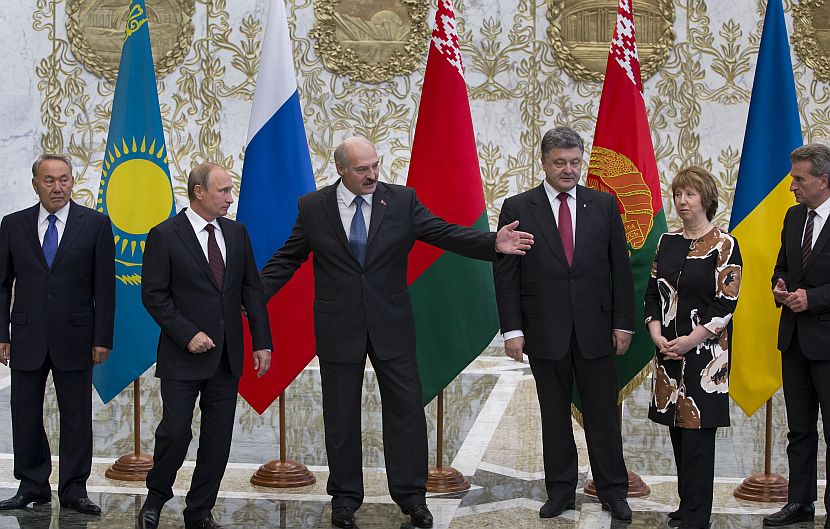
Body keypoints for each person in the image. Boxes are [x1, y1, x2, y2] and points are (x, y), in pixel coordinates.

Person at [259, 136, 533, 529]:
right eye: (362, 169)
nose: (372, 174)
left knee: (406, 413)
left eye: (375, 165)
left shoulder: (401, 201)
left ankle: (411, 498)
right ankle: (344, 499)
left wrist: (493, 243)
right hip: (338, 326)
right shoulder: (314, 207)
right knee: (340, 417)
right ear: (341, 169)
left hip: (392, 324)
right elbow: (289, 257)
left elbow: (443, 232)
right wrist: (250, 296)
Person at [493, 126, 634, 521]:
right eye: (560, 163)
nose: (569, 169)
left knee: (602, 416)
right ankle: (560, 492)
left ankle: (613, 490)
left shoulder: (603, 205)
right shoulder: (518, 207)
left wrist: (623, 323)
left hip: (596, 329)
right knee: (554, 417)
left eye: (574, 162)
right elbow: (506, 274)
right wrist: (513, 329)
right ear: (543, 163)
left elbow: (620, 270)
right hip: (544, 330)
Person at [137, 162, 273, 529]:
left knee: (217, 440)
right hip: (182, 355)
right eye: (223, 191)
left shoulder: (237, 232)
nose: (230, 198)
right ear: (199, 192)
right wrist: (187, 334)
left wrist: (262, 341)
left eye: (230, 190)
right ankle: (156, 497)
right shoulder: (165, 235)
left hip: (227, 356)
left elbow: (252, 289)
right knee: (175, 431)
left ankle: (199, 510)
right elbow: (154, 295)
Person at [0, 154, 115, 515]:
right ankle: (31, 485)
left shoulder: (95, 224)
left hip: (77, 337)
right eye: (49, 180)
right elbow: (2, 284)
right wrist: (2, 334)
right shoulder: (13, 224)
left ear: (72, 182)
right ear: (35, 184)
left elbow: (105, 287)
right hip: (26, 336)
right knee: (24, 413)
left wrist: (102, 338)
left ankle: (74, 489)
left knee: (76, 415)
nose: (58, 187)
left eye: (64, 179)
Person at [644, 167, 741, 529]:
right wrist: (656, 333)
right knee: (678, 433)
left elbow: (726, 304)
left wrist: (690, 340)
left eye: (690, 194)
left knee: (698, 439)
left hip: (704, 358)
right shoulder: (666, 242)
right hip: (668, 352)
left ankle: (697, 516)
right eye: (678, 194)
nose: (682, 201)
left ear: (706, 199)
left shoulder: (725, 245)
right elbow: (653, 293)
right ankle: (687, 506)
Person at [764, 143, 830, 528]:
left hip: (827, 344)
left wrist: (814, 298)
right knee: (799, 430)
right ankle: (799, 502)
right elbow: (782, 267)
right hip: (793, 341)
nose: (792, 187)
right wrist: (780, 286)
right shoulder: (793, 217)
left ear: (824, 181)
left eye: (799, 180)